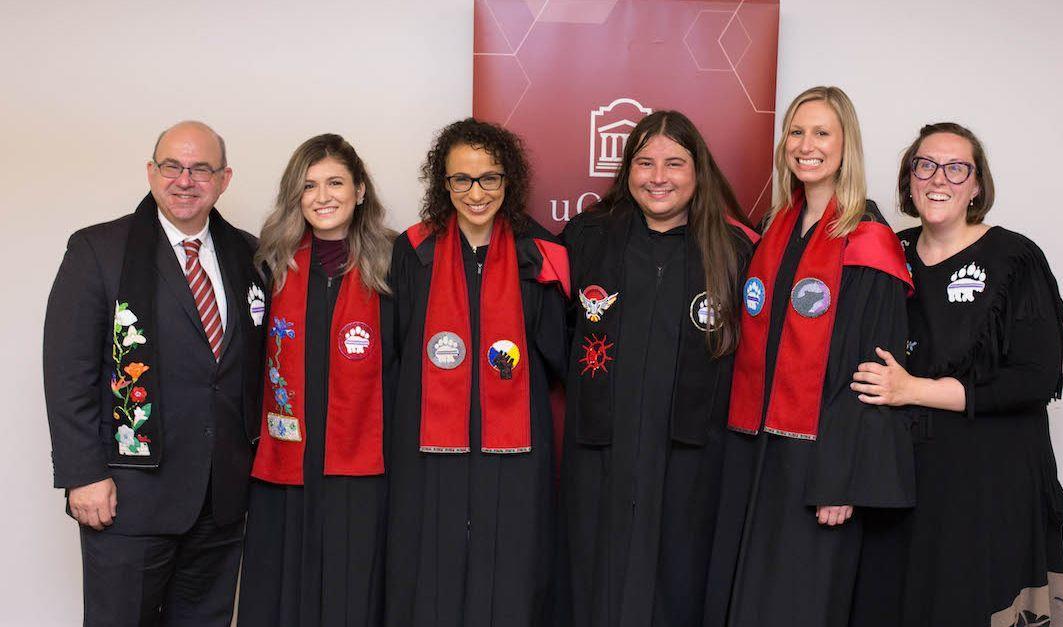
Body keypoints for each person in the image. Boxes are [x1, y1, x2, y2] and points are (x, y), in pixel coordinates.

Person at [702, 86, 915, 627]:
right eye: (796, 132)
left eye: (822, 132)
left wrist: (841, 478)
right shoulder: (776, 229)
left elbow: (872, 373)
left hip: (818, 461)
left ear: (847, 145)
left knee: (797, 604)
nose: (805, 145)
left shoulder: (868, 241)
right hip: (756, 451)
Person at [43, 121, 266, 625]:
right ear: (151, 171)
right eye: (172, 167)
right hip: (129, 495)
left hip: (221, 498)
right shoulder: (98, 250)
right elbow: (67, 373)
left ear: (224, 179)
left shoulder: (250, 255)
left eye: (201, 169)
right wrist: (83, 475)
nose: (185, 180)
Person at [851, 122, 1063, 626]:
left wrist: (913, 389)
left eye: (956, 168)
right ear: (909, 179)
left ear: (977, 185)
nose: (938, 179)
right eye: (925, 165)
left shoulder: (1015, 258)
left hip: (990, 484)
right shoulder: (887, 253)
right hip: (901, 483)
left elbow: (1036, 378)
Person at [558, 110, 758, 627]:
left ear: (699, 172)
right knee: (597, 570)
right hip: (603, 447)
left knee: (680, 572)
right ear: (627, 171)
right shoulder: (587, 237)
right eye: (644, 163)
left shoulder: (736, 249)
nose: (658, 177)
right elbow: (555, 333)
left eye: (674, 163)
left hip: (691, 453)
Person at [384, 118, 569, 626]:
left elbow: (558, 354)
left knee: (511, 556)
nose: (475, 192)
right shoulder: (414, 249)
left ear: (508, 181)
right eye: (461, 179)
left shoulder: (541, 252)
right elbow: (396, 348)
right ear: (443, 183)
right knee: (430, 556)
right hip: (427, 436)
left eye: (489, 178)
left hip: (515, 438)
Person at [237, 134, 397, 626]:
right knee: (284, 591)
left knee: (354, 590)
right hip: (285, 464)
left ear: (361, 190)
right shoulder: (266, 265)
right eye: (308, 186)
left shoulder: (399, 263)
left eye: (335, 182)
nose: (322, 197)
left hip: (365, 462)